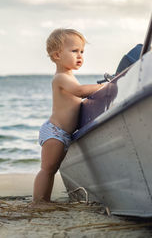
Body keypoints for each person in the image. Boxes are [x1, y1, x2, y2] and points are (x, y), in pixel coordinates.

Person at [33, 28, 103, 203]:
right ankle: (39, 203)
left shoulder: (69, 76)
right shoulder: (61, 78)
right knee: (47, 170)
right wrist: (105, 87)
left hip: (61, 133)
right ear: (57, 55)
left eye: (82, 51)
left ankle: (44, 201)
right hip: (55, 132)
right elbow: (79, 91)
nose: (80, 56)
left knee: (51, 170)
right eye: (74, 51)